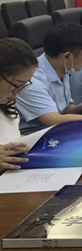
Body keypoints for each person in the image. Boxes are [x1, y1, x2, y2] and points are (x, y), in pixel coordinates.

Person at [16, 24, 82, 135]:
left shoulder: (63, 67)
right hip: (36, 137)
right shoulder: (31, 80)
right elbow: (53, 120)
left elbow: (64, 109)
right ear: (67, 57)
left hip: (60, 132)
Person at [0, 38, 37, 169]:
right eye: (16, 85)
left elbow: (11, 139)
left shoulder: (6, 106)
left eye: (24, 85)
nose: (19, 92)